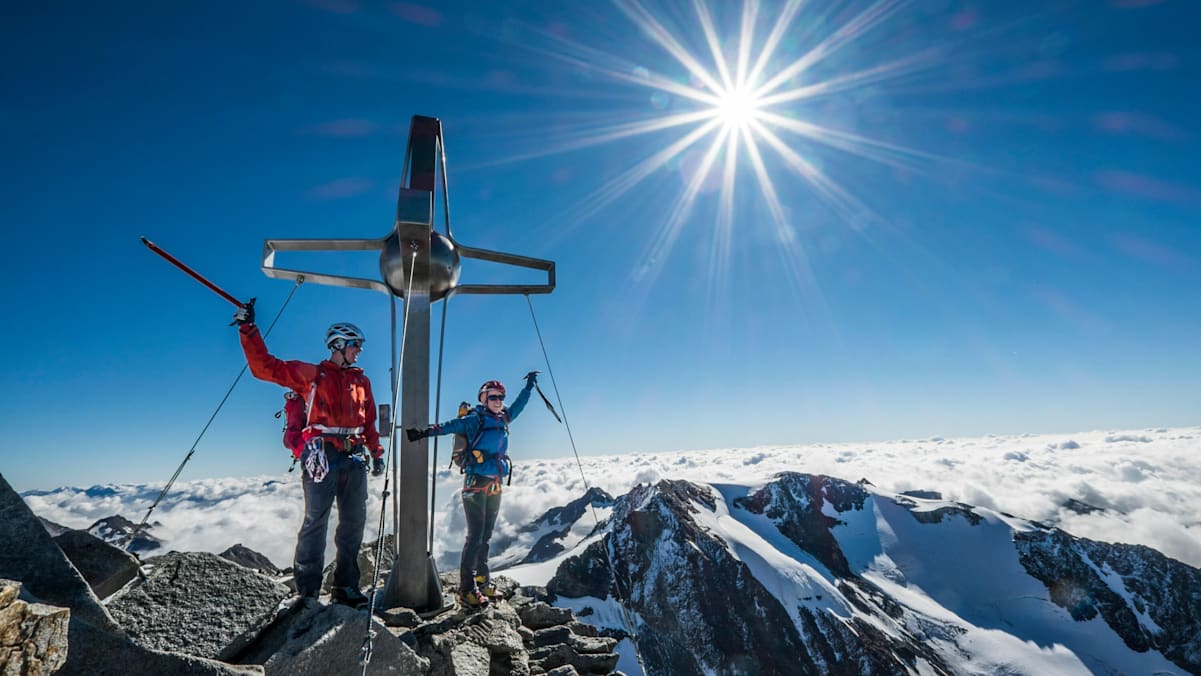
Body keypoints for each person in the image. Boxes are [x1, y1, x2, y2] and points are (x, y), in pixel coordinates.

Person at [232, 302, 386, 608]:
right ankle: (308, 591)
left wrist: (375, 452)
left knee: (354, 522)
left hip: (354, 458)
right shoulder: (313, 375)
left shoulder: (361, 381)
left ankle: (346, 586)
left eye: (360, 346)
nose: (359, 351)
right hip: (323, 457)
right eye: (355, 345)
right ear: (338, 346)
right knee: (316, 521)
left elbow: (368, 422)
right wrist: (248, 329)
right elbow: (265, 367)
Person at [406, 372, 537, 608]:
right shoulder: (474, 420)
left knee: (485, 536)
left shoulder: (503, 418)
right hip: (475, 484)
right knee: (475, 536)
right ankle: (466, 589)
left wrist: (529, 386)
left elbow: (520, 405)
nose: (499, 401)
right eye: (493, 397)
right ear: (484, 399)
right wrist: (423, 432)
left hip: (494, 484)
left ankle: (482, 580)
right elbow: (448, 427)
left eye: (501, 397)